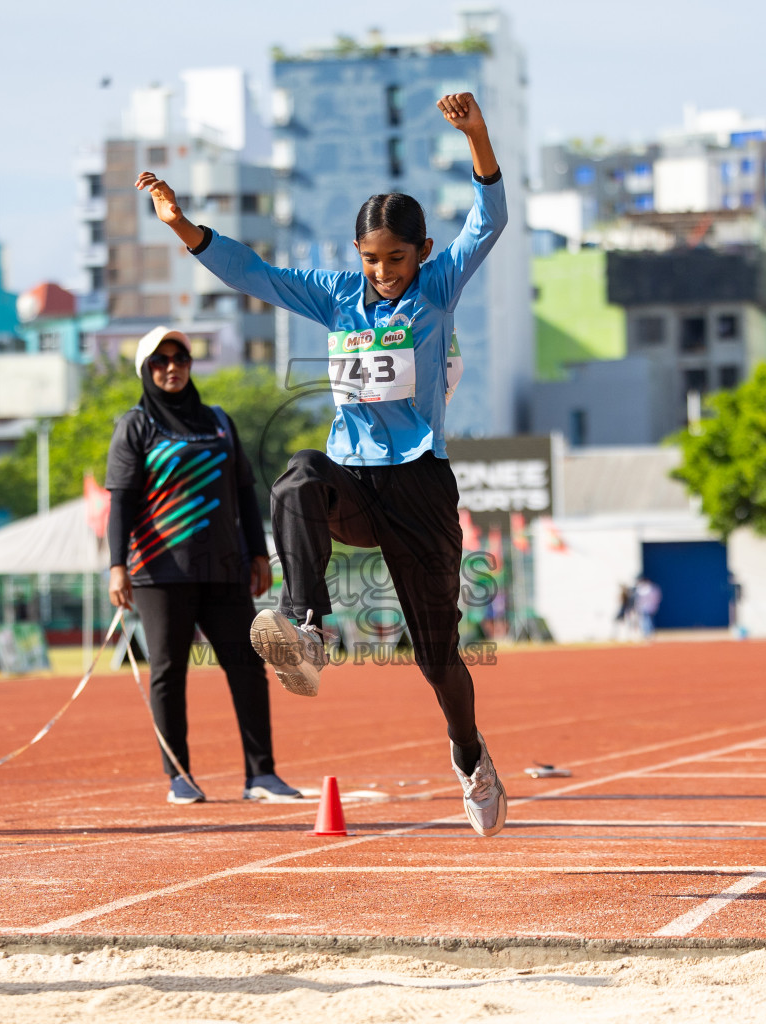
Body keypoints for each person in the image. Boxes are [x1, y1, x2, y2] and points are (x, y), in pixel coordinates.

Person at [135, 92, 509, 835]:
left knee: (438, 659)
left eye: (397, 259)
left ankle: (470, 756)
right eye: (372, 260)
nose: (385, 273)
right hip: (352, 482)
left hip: (419, 486)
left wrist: (479, 137)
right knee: (300, 471)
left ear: (422, 253)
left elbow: (488, 221)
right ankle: (305, 624)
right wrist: (183, 226)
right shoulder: (339, 298)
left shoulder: (438, 287)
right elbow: (255, 273)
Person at [105, 326, 300, 805]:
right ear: (146, 371)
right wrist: (116, 566)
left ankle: (262, 775)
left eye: (180, 359)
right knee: (169, 672)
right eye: (160, 361)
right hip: (158, 570)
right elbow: (121, 503)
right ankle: (179, 777)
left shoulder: (218, 421)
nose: (172, 368)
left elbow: (244, 493)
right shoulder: (135, 425)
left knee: (247, 666)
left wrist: (259, 552)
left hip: (224, 568)